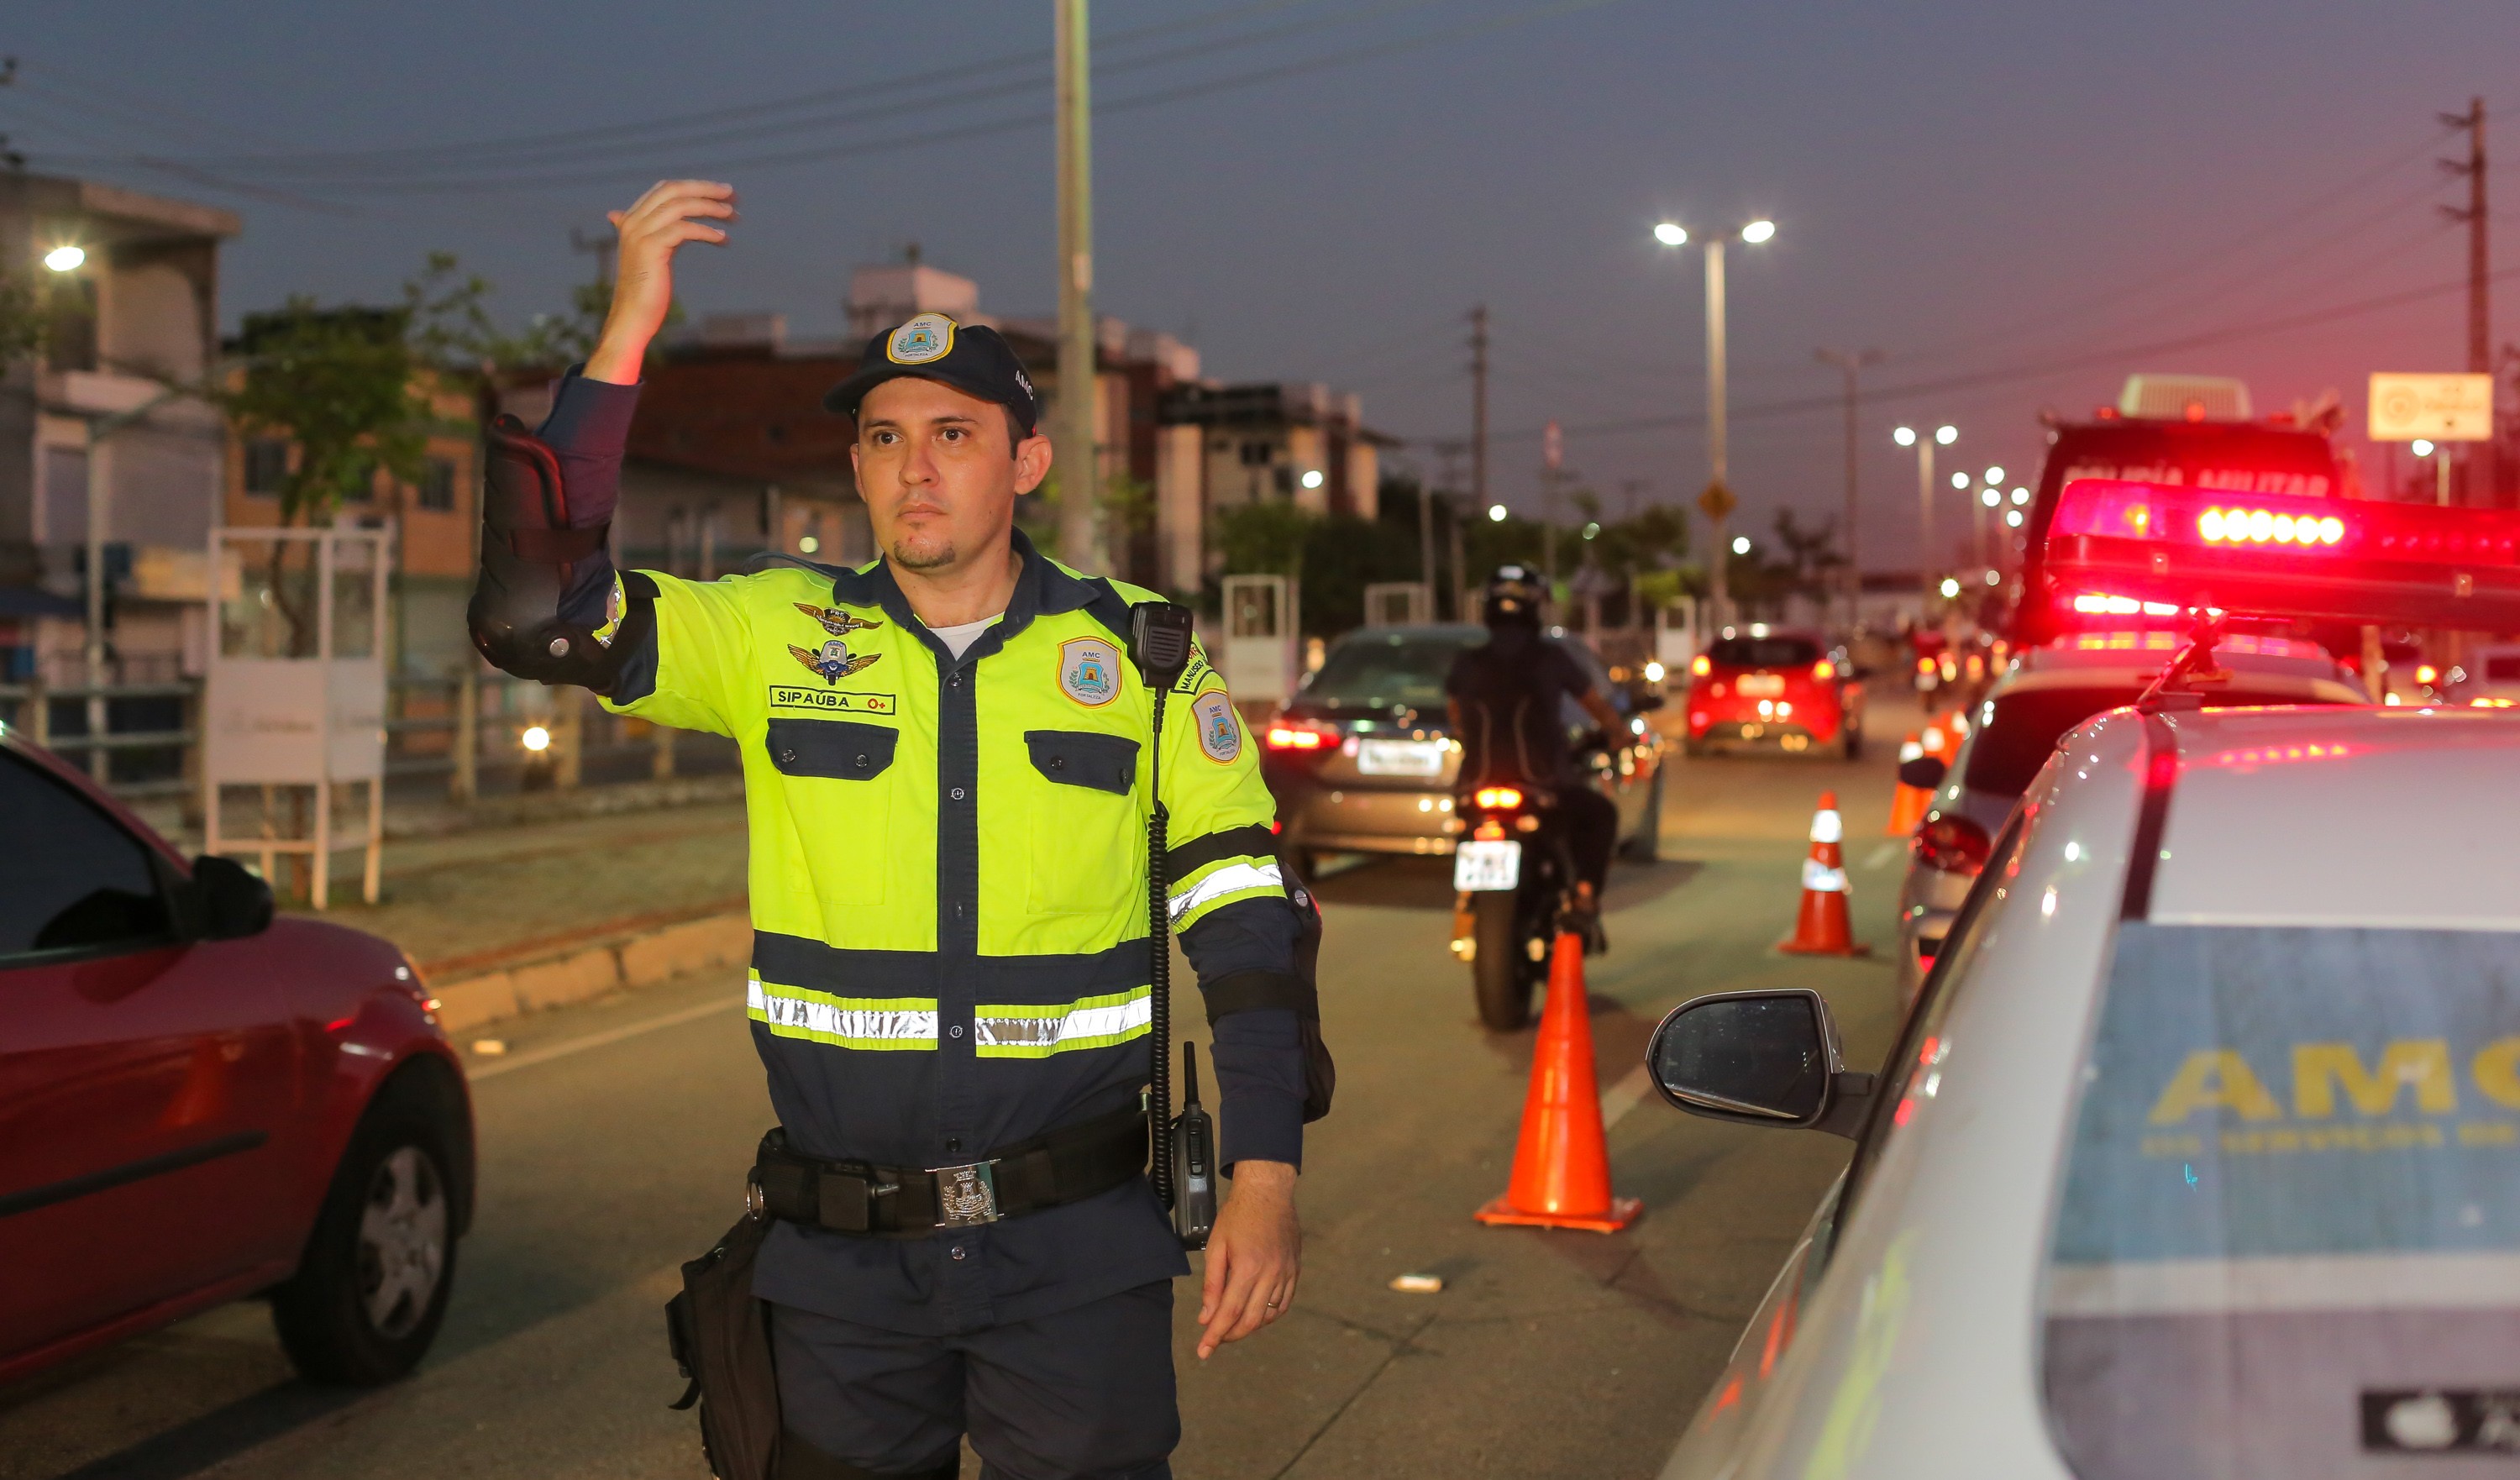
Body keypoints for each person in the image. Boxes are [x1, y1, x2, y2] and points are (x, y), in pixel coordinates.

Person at [470, 181, 1305, 1480]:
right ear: (854, 463)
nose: (916, 465)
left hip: (1077, 1257)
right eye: (883, 436)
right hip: (841, 1271)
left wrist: (1266, 1174)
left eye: (955, 434)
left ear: (1025, 461)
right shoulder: (770, 633)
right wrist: (627, 328)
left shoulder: (1142, 654)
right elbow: (538, 613)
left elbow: (1247, 922)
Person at [1443, 564, 1626, 937]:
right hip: (1544, 785)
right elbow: (1596, 705)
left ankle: (1464, 904)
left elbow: (1457, 719)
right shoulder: (1551, 657)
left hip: (1475, 786)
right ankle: (1586, 897)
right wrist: (1619, 733)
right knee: (1601, 814)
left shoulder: (1467, 662)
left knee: (1464, 827)